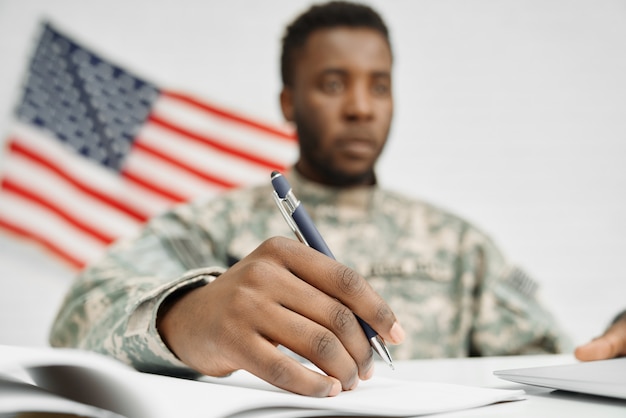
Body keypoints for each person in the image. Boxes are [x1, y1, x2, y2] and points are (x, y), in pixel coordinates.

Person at [50, 1, 586, 398]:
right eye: (333, 84)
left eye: (378, 86)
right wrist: (189, 318)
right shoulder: (208, 228)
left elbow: (556, 361)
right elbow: (74, 322)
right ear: (289, 102)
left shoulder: (460, 243)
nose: (360, 107)